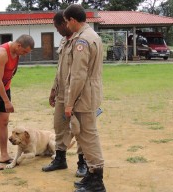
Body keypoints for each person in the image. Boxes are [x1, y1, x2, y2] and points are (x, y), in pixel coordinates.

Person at [63, 4, 106, 192]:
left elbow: (78, 75)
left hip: (83, 95)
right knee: (86, 135)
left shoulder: (82, 40)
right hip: (90, 92)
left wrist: (69, 102)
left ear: (73, 20)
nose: (66, 26)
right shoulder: (92, 35)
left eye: (66, 22)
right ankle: (91, 174)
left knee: (88, 137)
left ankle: (96, 180)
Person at [42, 11, 88, 178]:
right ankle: (60, 159)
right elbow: (60, 68)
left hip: (77, 95)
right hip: (62, 94)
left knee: (79, 129)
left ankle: (83, 163)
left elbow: (80, 73)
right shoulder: (63, 41)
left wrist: (73, 97)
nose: (57, 30)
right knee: (59, 126)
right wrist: (53, 89)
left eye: (57, 27)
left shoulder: (80, 41)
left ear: (66, 22)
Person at [0, 34, 34, 170]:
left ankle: (4, 155)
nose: (24, 55)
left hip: (5, 89)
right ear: (18, 46)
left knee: (4, 122)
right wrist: (6, 101)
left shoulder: (16, 53)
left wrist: (6, 97)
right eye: (24, 51)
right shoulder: (1, 53)